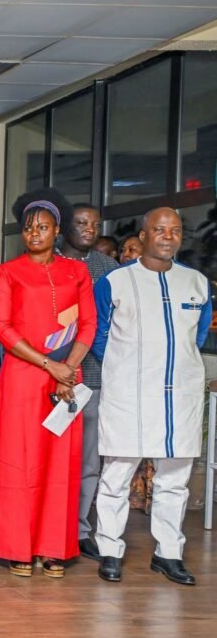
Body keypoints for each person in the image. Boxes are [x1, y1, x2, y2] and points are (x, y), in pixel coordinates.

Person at [93, 208, 212, 586]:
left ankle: (168, 554)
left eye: (175, 230)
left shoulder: (196, 282)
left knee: (174, 477)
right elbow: (98, 335)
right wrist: (125, 367)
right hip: (128, 392)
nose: (167, 236)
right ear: (142, 236)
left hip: (180, 394)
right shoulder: (115, 281)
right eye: (159, 229)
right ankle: (110, 550)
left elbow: (198, 337)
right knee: (116, 474)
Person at [0, 189, 96, 578]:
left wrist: (69, 368)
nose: (35, 233)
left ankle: (53, 548)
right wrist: (51, 365)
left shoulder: (77, 272)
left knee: (59, 463)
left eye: (43, 227)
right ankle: (18, 546)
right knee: (20, 463)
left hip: (68, 375)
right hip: (24, 375)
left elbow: (88, 324)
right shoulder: (7, 272)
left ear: (57, 231)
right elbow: (2, 327)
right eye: (29, 228)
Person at [57, 204, 119, 561]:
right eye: (81, 223)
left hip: (93, 377)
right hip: (49, 376)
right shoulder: (47, 263)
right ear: (65, 227)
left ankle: (80, 530)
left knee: (89, 461)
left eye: (95, 225)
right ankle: (51, 525)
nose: (89, 230)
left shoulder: (108, 269)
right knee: (52, 456)